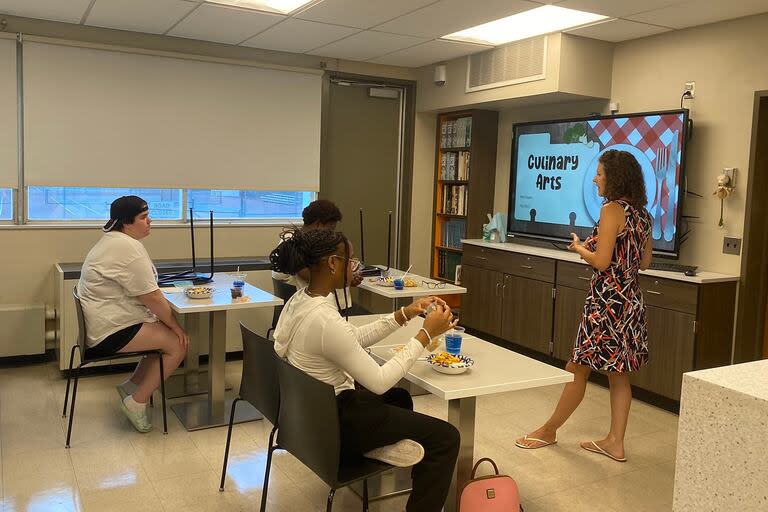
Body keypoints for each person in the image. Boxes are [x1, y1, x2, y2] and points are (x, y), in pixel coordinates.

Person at [270, 227, 460, 512]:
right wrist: (425, 335)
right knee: (446, 437)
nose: (356, 266)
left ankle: (376, 449)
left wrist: (403, 314)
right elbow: (378, 381)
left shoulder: (301, 300)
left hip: (311, 420)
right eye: (352, 259)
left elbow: (350, 340)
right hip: (337, 427)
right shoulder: (324, 319)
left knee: (400, 399)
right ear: (333, 263)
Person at [515, 149, 653, 462]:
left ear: (614, 178)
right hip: (630, 303)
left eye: (600, 173)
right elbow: (644, 261)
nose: (595, 178)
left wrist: (580, 249)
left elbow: (602, 261)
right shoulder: (644, 214)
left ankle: (548, 431)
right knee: (618, 375)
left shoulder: (611, 210)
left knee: (576, 368)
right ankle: (616, 443)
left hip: (605, 304)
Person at [78, 196, 189, 433]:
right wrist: (176, 326)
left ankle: (131, 386)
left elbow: (145, 293)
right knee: (177, 344)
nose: (150, 221)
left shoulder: (113, 241)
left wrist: (164, 320)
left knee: (162, 333)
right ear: (127, 223)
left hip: (105, 322)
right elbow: (151, 297)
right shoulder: (127, 247)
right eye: (143, 217)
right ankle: (136, 402)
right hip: (110, 330)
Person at [271, 198, 363, 310]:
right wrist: (345, 277)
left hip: (318, 305)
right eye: (331, 228)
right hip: (314, 307)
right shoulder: (295, 244)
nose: (332, 233)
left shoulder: (309, 242)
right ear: (319, 224)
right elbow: (313, 274)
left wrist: (348, 273)